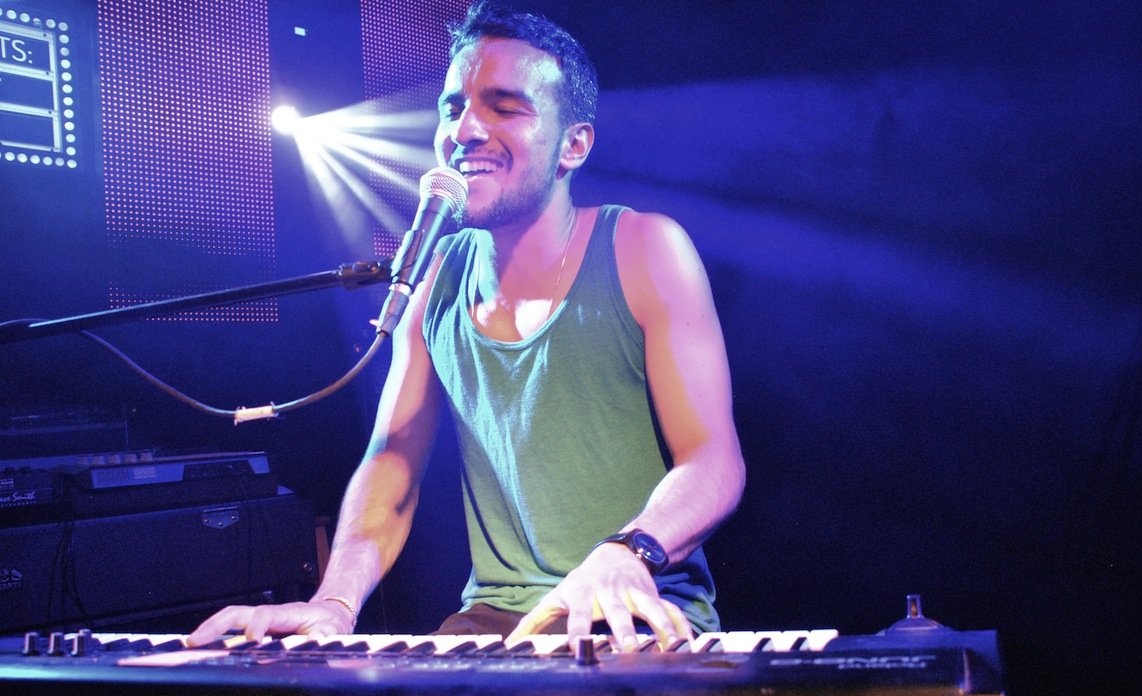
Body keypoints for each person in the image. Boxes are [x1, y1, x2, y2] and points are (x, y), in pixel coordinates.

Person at [187, 1, 744, 657]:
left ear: (573, 145)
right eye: (453, 108)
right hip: (494, 624)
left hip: (634, 612)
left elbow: (713, 461)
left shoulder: (644, 247)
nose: (466, 130)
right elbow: (391, 466)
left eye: (504, 107)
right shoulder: (433, 276)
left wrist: (627, 551)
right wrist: (334, 603)